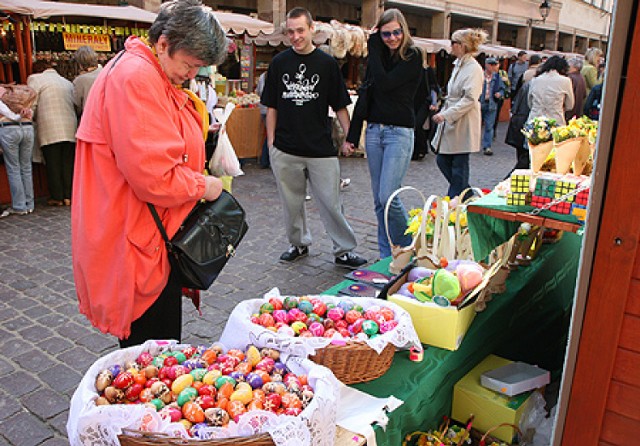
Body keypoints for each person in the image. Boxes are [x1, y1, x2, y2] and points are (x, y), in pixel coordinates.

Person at [71, 0, 227, 346]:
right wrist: (206, 186)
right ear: (163, 44)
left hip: (143, 232)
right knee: (154, 350)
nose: (191, 75)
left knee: (154, 344)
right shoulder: (138, 77)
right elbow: (155, 176)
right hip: (139, 237)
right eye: (190, 65)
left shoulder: (142, 70)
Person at [261, 7, 366, 268]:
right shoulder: (279, 63)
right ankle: (298, 244)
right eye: (290, 31)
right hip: (286, 148)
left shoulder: (327, 64)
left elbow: (340, 105)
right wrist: (271, 142)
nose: (295, 36)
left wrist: (350, 137)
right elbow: (271, 106)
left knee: (331, 202)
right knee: (292, 203)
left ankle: (343, 250)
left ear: (311, 30)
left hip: (320, 148)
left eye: (300, 30)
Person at [344, 9, 421, 258]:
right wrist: (353, 137)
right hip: (375, 131)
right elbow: (367, 94)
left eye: (396, 32)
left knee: (389, 195)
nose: (392, 38)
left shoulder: (413, 55)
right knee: (379, 200)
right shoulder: (378, 57)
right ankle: (387, 255)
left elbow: (386, 83)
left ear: (404, 30)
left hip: (399, 132)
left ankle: (408, 246)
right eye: (385, 34)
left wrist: (374, 47)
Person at [432, 28, 485, 200]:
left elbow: (470, 98)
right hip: (452, 118)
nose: (451, 47)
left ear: (462, 46)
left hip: (463, 121)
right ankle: (466, 194)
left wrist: (447, 114)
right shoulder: (459, 65)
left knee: (458, 164)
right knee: (443, 160)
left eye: (453, 43)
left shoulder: (473, 68)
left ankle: (456, 198)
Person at [27, 60, 77, 207]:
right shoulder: (66, 82)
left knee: (53, 162)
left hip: (49, 125)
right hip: (69, 124)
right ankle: (69, 195)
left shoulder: (35, 79)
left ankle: (57, 196)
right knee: (67, 162)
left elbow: (31, 102)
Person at [0, 87, 35, 218]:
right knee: (26, 167)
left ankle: (20, 206)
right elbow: (30, 113)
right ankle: (30, 204)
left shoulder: (3, 101)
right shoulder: (23, 99)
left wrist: (18, 116)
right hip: (27, 128)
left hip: (8, 129)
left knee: (13, 168)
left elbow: (12, 117)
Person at [527, 56, 574, 126]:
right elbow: (570, 105)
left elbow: (529, 102)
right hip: (556, 120)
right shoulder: (565, 81)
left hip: (535, 119)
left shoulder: (535, 80)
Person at [413, 48, 440, 160]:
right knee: (413, 125)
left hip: (424, 101)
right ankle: (416, 149)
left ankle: (421, 149)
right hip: (412, 101)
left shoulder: (427, 70)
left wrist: (434, 102)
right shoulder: (410, 69)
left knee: (417, 124)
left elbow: (433, 87)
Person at [479, 57, 505, 156]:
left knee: (489, 126)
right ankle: (473, 145)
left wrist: (500, 93)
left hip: (491, 104)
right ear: (486, 65)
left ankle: (487, 147)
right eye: (491, 65)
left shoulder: (497, 77)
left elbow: (503, 89)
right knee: (475, 125)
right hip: (479, 103)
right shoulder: (480, 76)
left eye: (495, 65)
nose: (494, 67)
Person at [72, 45, 103, 118]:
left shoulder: (80, 81)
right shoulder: (106, 73)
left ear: (80, 64)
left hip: (91, 120)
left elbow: (76, 106)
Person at [255, 71, 270, 168]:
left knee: (268, 134)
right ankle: (265, 160)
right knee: (271, 135)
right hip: (272, 109)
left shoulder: (262, 76)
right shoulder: (279, 73)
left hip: (263, 108)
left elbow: (259, 91)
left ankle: (264, 160)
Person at [565, 57, 587, 121]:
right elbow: (584, 94)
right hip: (579, 110)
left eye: (569, 66)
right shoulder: (581, 77)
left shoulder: (570, 78)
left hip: (570, 111)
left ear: (574, 67)